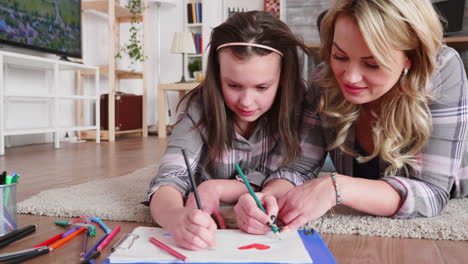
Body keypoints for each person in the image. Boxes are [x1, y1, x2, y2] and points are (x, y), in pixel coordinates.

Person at [234, 0, 468, 235]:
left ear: (411, 58)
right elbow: (299, 166)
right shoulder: (324, 80)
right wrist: (268, 198)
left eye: (372, 63)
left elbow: (432, 193)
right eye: (340, 56)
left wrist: (336, 187)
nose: (351, 78)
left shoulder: (440, 71)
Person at [145, 11, 310, 250]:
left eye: (262, 87)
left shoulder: (302, 106)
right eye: (233, 85)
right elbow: (170, 178)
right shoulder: (198, 107)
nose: (246, 101)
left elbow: (295, 174)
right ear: (217, 75)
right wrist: (174, 218)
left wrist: (217, 187)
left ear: (283, 77)